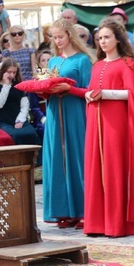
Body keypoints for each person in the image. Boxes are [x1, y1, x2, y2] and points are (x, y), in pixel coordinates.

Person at [83, 19, 134, 237]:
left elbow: (133, 94)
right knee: (98, 170)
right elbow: (91, 90)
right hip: (96, 125)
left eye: (107, 37)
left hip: (117, 125)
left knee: (115, 168)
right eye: (100, 38)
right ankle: (99, 223)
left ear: (118, 38)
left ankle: (118, 223)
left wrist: (105, 94)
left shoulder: (128, 64)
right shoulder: (97, 65)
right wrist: (88, 94)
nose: (102, 41)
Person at [43, 18, 94, 228]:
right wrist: (44, 89)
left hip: (75, 112)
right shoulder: (53, 61)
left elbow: (89, 91)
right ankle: (61, 210)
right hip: (55, 111)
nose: (58, 40)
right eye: (54, 37)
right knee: (56, 159)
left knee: (76, 157)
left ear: (70, 35)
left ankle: (82, 210)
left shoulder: (82, 60)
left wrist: (68, 89)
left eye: (61, 36)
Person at [0, 58, 43, 180]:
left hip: (18, 119)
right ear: (3, 72)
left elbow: (24, 106)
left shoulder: (19, 86)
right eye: (9, 72)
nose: (11, 75)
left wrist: (20, 120)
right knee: (13, 136)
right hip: (2, 120)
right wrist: (6, 86)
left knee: (31, 134)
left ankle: (35, 167)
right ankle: (16, 166)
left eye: (14, 72)